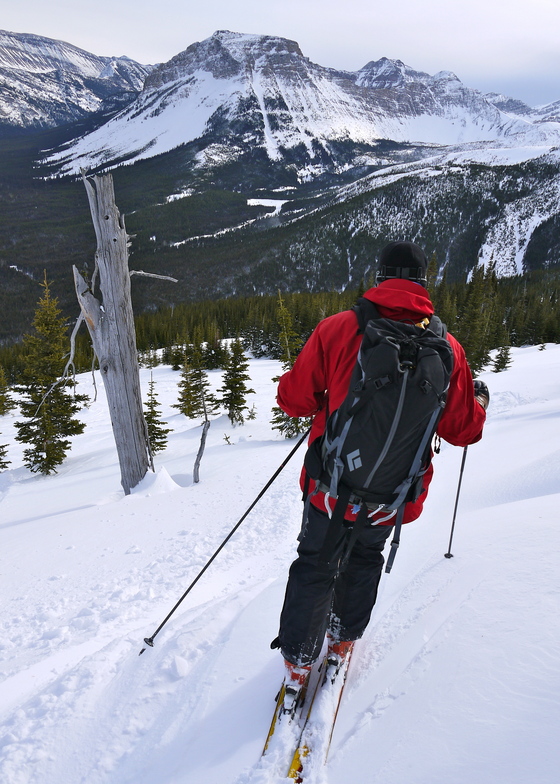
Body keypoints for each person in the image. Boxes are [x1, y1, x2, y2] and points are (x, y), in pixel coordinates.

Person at [272, 240, 488, 695]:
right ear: (422, 284)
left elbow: (292, 400)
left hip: (329, 486)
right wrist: (479, 400)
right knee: (364, 559)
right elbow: (464, 431)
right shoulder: (449, 348)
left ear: (379, 278)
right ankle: (343, 642)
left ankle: (297, 662)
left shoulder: (338, 329)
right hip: (392, 495)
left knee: (315, 563)